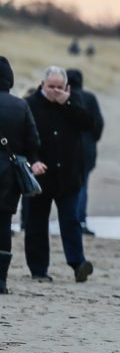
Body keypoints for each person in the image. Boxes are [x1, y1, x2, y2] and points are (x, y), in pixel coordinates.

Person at [24, 66, 95, 282]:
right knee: (36, 222)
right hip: (40, 175)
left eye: (60, 87)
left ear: (68, 87)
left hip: (69, 175)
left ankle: (78, 264)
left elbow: (88, 124)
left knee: (71, 220)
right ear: (42, 85)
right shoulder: (29, 104)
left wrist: (68, 103)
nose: (55, 91)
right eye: (51, 87)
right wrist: (33, 161)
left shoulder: (74, 102)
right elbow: (23, 136)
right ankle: (38, 270)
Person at [0, 56, 43, 294]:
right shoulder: (20, 106)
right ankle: (1, 281)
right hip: (8, 172)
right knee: (4, 224)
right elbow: (33, 141)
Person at [66, 69, 105, 236]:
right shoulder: (90, 98)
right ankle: (80, 221)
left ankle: (68, 220)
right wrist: (92, 140)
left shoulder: (64, 97)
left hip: (66, 148)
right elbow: (99, 123)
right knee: (82, 186)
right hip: (87, 149)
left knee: (66, 187)